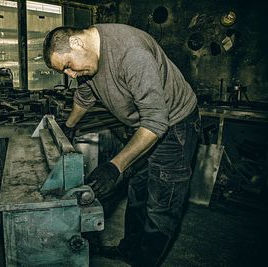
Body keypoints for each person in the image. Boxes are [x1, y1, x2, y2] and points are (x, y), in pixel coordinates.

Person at [43, 23, 200, 267]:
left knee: (161, 204)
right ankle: (129, 251)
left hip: (175, 125)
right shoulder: (88, 62)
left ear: (76, 43)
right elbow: (85, 96)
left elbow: (157, 122)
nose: (71, 75)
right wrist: (69, 127)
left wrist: (115, 166)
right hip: (146, 125)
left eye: (67, 66)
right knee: (137, 190)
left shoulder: (131, 54)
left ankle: (145, 262)